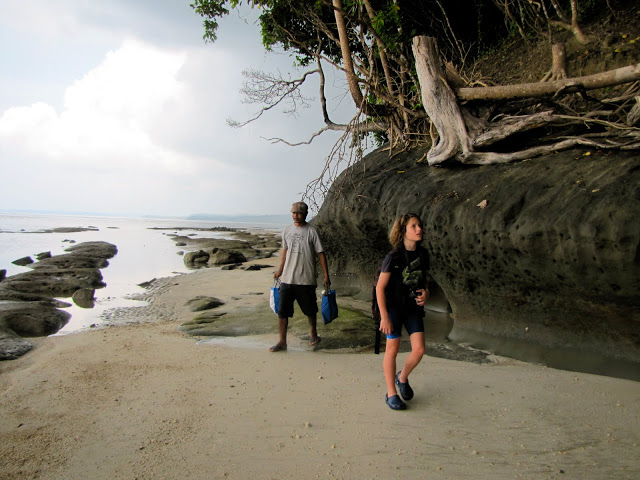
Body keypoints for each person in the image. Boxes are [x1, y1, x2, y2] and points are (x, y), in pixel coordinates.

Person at [376, 213, 430, 410]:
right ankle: (391, 393)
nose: (419, 229)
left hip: (413, 308)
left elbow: (424, 281)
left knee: (419, 349)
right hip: (393, 309)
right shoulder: (393, 257)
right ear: (403, 231)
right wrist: (384, 316)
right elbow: (380, 288)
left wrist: (426, 293)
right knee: (392, 349)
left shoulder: (423, 254)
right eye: (413, 226)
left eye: (419, 225)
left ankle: (403, 376)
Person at [270, 201, 330, 352]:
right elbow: (285, 252)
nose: (295, 216)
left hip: (306, 279)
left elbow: (320, 253)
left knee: (310, 310)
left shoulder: (311, 231)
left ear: (305, 214)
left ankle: (313, 334)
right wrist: (280, 270)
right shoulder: (287, 230)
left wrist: (326, 275)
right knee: (282, 311)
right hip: (287, 279)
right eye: (293, 213)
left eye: (298, 213)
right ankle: (282, 341)